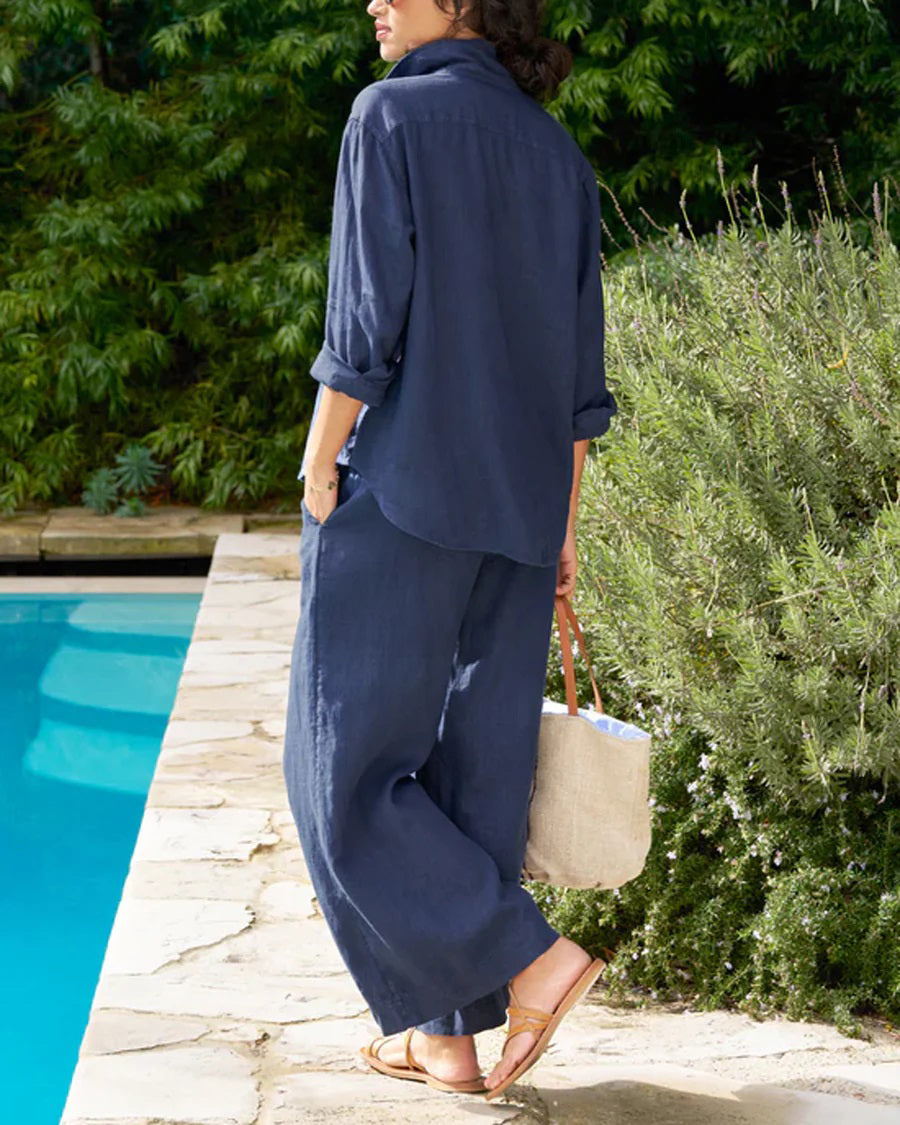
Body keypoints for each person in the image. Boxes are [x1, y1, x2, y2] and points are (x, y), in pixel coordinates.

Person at [281, 0, 617, 1102]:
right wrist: (559, 536)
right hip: (520, 517)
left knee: (344, 779)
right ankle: (446, 1043)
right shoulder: (553, 150)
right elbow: (578, 393)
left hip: (407, 494)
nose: (372, 1)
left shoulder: (391, 118)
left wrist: (320, 467)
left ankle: (535, 958)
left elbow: (363, 326)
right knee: (476, 780)